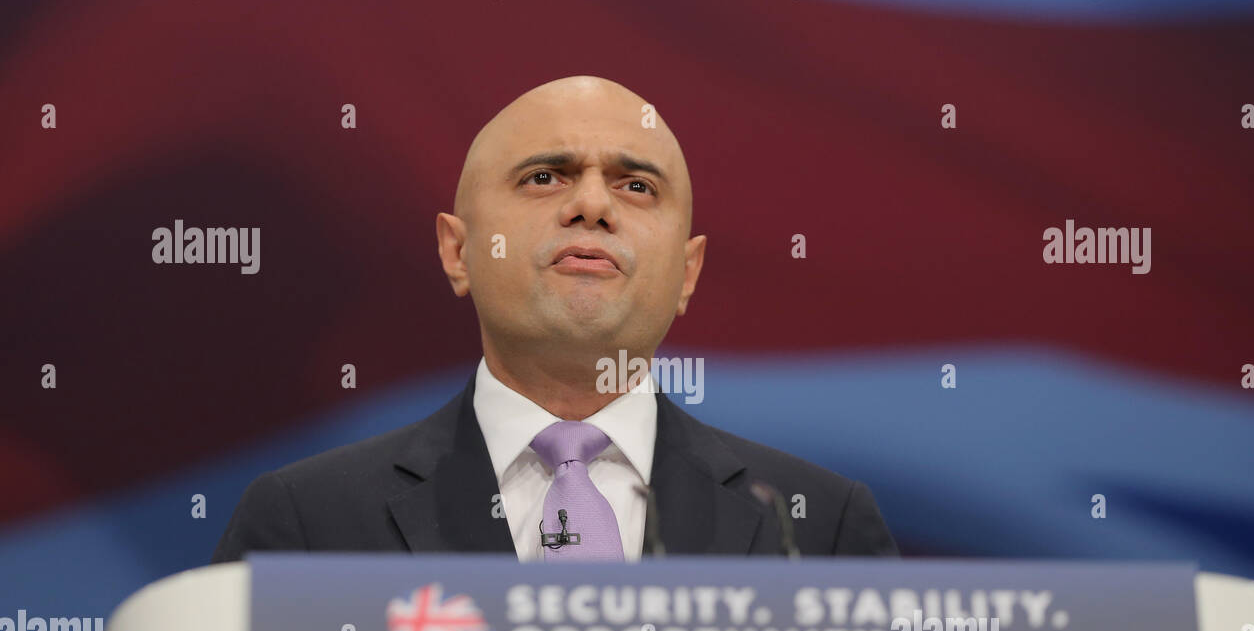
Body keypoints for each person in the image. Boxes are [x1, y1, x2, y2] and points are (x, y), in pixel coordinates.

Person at [212, 75, 897, 563]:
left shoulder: (817, 528)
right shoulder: (305, 524)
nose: (593, 205)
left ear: (688, 273)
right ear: (458, 251)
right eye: (545, 177)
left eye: (636, 186)